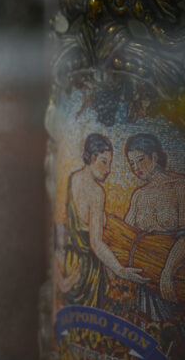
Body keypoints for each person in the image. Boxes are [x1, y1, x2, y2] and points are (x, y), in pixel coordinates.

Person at [57, 132, 144, 308]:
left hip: (71, 262)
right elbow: (96, 243)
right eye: (104, 162)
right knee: (92, 319)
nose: (108, 169)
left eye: (110, 163)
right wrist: (120, 270)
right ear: (92, 158)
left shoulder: (72, 179)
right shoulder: (96, 193)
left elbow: (67, 225)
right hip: (88, 269)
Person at [124, 132, 185, 319]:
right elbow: (126, 235)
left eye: (140, 160)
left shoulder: (182, 187)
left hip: (175, 277)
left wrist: (167, 273)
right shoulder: (139, 196)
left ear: (154, 157)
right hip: (144, 280)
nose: (136, 168)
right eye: (132, 163)